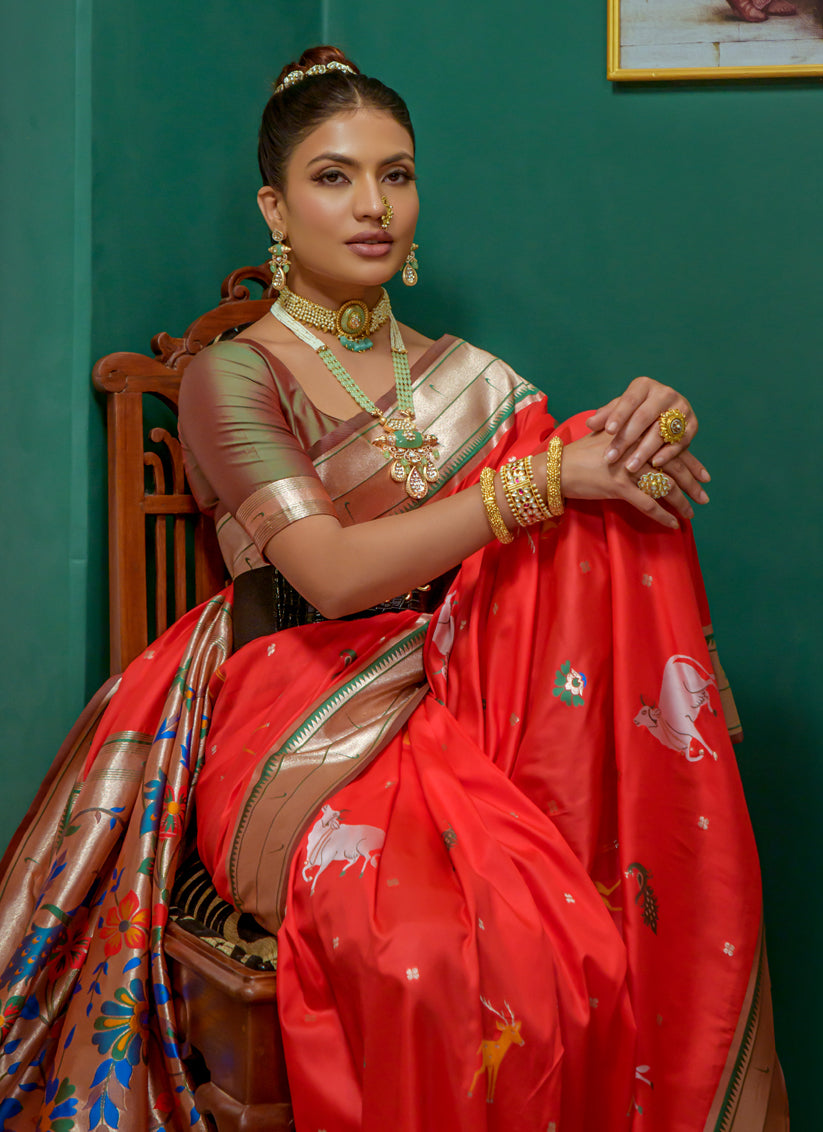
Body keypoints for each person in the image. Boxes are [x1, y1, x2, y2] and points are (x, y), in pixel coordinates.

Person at [0, 44, 787, 1132]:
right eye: (334, 176)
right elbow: (324, 577)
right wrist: (553, 477)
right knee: (431, 950)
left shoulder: (471, 377)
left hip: (475, 697)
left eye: (397, 173)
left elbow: (557, 508)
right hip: (299, 708)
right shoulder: (236, 374)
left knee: (589, 935)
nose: (374, 205)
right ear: (274, 208)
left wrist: (639, 433)